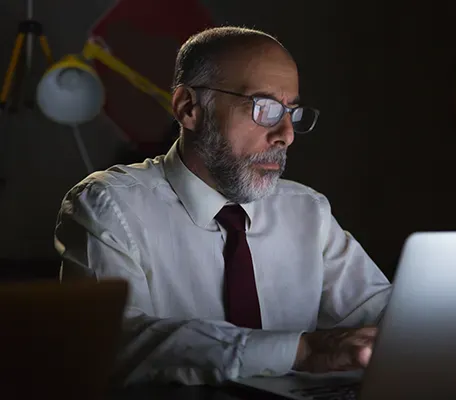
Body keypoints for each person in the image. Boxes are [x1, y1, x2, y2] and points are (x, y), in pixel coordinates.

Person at [54, 26, 391, 386]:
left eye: (291, 112)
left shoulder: (308, 211)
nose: (286, 135)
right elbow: (115, 342)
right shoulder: (107, 206)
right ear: (189, 108)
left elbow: (386, 314)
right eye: (264, 108)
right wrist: (301, 351)